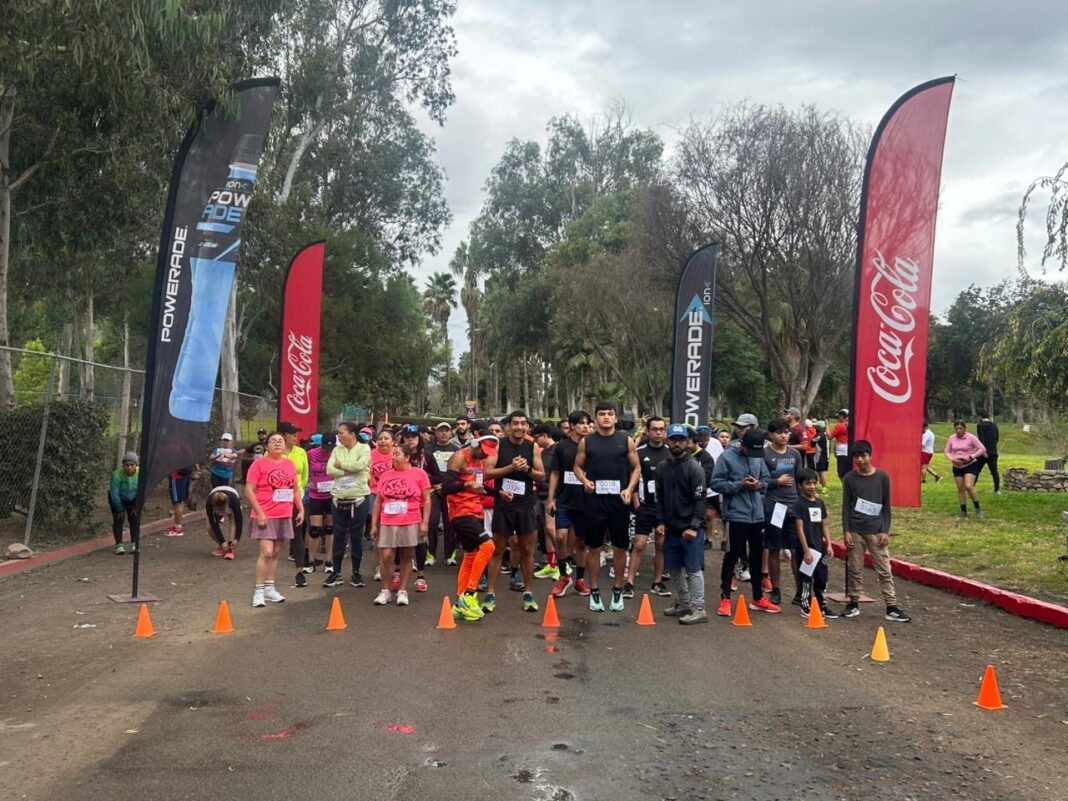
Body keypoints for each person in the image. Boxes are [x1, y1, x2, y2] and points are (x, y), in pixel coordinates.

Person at [573, 403, 641, 613]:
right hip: (595, 502)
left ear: (616, 418)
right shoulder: (587, 441)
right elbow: (577, 466)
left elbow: (636, 467)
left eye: (610, 414)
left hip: (619, 501)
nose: (606, 417)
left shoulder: (625, 440)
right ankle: (594, 591)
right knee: (594, 547)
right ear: (595, 418)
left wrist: (629, 489)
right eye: (601, 414)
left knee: (620, 548)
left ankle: (617, 590)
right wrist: (585, 481)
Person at [483, 410, 545, 613]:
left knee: (527, 550)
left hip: (525, 504)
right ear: (509, 426)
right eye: (515, 423)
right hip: (504, 503)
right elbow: (487, 473)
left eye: (523, 424)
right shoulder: (498, 445)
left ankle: (528, 593)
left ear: (527, 426)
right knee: (498, 550)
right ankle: (490, 593)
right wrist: (510, 467)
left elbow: (541, 477)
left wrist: (527, 469)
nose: (519, 427)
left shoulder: (533, 446)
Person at [841, 440, 911, 622]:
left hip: (876, 530)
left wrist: (885, 530)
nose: (860, 460)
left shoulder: (882, 477)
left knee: (884, 569)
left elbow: (886, 505)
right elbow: (846, 506)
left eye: (863, 456)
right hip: (855, 529)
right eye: (856, 456)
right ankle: (853, 602)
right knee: (854, 567)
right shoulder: (849, 478)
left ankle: (891, 606)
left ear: (870, 456)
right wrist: (846, 530)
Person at [711, 429, 778, 615]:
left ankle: (758, 597)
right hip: (735, 515)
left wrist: (759, 485)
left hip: (757, 515)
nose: (754, 455)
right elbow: (715, 483)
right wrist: (739, 485)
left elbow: (766, 479)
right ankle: (725, 598)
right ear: (742, 444)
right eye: (751, 451)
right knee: (732, 555)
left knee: (757, 557)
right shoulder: (726, 457)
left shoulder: (758, 456)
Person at [442, 435, 500, 621]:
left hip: (475, 511)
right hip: (460, 512)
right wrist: (466, 484)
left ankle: (460, 602)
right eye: (483, 452)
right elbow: (445, 487)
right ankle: (469, 594)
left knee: (471, 554)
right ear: (475, 444)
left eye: (489, 454)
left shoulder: (480, 461)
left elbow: (479, 486)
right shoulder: (459, 457)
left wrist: (499, 494)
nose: (485, 456)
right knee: (488, 546)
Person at [244, 432, 304, 608]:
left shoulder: (289, 464)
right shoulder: (258, 464)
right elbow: (248, 491)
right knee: (266, 552)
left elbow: (294, 490)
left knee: (276, 552)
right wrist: (260, 512)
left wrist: (301, 509)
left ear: (285, 445)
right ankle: (258, 590)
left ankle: (270, 588)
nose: (277, 444)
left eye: (280, 441)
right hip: (265, 514)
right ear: (267, 446)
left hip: (284, 513)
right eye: (273, 441)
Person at [656, 425, 709, 624]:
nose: (677, 443)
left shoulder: (694, 467)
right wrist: (660, 521)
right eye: (673, 440)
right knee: (674, 567)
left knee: (693, 569)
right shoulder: (662, 467)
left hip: (690, 528)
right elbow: (659, 497)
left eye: (681, 440)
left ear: (687, 442)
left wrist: (694, 526)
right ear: (667, 441)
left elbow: (701, 499)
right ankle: (684, 603)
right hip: (671, 527)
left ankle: (699, 608)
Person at [370, 446, 432, 606]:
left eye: (397, 454)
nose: (393, 457)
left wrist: (425, 523)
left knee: (406, 556)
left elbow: (426, 500)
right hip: (388, 521)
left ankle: (403, 591)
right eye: (393, 454)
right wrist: (374, 524)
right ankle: (385, 590)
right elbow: (378, 501)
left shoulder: (419, 474)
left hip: (410, 519)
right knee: (387, 557)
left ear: (407, 457)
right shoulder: (386, 475)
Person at [547, 410, 593, 598]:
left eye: (587, 423)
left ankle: (580, 580)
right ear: (572, 426)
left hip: (586, 501)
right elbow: (555, 473)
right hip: (564, 500)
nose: (585, 426)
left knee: (581, 542)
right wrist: (551, 499)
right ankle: (564, 576)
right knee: (560, 537)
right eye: (581, 423)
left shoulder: (592, 445)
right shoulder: (562, 447)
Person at [323, 421, 372, 589]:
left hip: (359, 498)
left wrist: (341, 466)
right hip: (338, 497)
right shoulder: (337, 450)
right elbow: (329, 470)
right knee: (339, 535)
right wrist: (349, 470)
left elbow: (361, 465)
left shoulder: (364, 448)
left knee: (356, 536)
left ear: (352, 434)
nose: (339, 435)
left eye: (342, 432)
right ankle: (336, 572)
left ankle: (356, 572)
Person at [762, 417, 804, 606]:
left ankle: (800, 591)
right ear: (771, 435)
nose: (784, 436)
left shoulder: (795, 454)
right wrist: (776, 482)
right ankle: (776, 589)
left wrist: (803, 502)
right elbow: (759, 480)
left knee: (796, 549)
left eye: (786, 432)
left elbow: (800, 479)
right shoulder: (764, 454)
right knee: (774, 548)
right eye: (779, 433)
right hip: (774, 506)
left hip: (793, 506)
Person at [626, 416, 669, 598]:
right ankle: (629, 583)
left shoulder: (670, 453)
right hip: (644, 506)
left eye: (661, 429)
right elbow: (633, 477)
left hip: (664, 509)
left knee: (661, 545)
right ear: (648, 431)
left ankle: (657, 582)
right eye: (654, 429)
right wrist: (636, 501)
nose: (658, 432)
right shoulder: (639, 452)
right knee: (639, 544)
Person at [792, 468, 838, 619]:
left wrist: (829, 544)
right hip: (806, 548)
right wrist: (806, 550)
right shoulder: (799, 504)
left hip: (820, 547)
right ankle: (806, 606)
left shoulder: (819, 503)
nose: (812, 486)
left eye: (814, 483)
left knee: (822, 577)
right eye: (808, 483)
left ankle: (821, 605)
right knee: (806, 579)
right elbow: (799, 528)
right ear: (800, 485)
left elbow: (824, 525)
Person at [278, 421, 311, 587]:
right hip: (276, 502)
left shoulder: (301, 452)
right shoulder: (272, 453)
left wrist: (298, 493)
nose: (296, 437)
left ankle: (299, 572)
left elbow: (304, 476)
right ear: (283, 435)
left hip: (296, 499)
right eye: (292, 434)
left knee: (297, 535)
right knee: (276, 538)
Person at [426, 422, 459, 566]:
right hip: (432, 490)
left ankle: (450, 555)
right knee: (432, 522)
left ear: (451, 433)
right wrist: (435, 484)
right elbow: (424, 471)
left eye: (447, 430)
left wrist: (446, 486)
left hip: (450, 490)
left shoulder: (457, 450)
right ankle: (430, 554)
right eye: (441, 430)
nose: (444, 433)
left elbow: (460, 471)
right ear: (436, 433)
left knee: (450, 523)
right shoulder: (427, 449)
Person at [306, 433, 336, 575]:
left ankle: (329, 561)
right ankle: (311, 561)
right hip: (316, 494)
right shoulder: (311, 453)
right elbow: (303, 468)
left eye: (330, 447)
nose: (327, 450)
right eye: (325, 447)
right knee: (315, 529)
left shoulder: (336, 454)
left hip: (331, 494)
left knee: (330, 528)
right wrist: (307, 481)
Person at [944, 420, 987, 519]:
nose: (958, 431)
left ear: (965, 428)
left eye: (960, 428)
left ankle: (978, 508)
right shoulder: (952, 438)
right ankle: (963, 510)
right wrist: (952, 459)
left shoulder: (971, 437)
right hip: (957, 465)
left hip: (970, 464)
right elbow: (947, 451)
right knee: (960, 488)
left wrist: (971, 457)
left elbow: (982, 449)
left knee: (968, 486)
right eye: (956, 429)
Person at [108, 452, 140, 555]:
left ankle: (134, 543)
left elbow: (142, 490)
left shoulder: (140, 474)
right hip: (118, 498)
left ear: (136, 465)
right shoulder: (116, 475)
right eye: (126, 465)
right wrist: (119, 508)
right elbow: (114, 493)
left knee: (134, 519)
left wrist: (137, 505)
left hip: (134, 498)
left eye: (132, 465)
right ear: (123, 465)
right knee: (119, 518)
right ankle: (119, 545)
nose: (129, 468)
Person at [206, 485, 243, 558]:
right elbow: (214, 523)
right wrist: (222, 541)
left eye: (222, 509)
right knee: (209, 528)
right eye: (218, 509)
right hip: (216, 498)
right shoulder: (209, 503)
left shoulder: (234, 501)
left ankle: (230, 548)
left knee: (233, 522)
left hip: (232, 498)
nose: (221, 512)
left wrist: (237, 538)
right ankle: (223, 546)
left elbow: (239, 520)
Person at [165, 463, 200, 537]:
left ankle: (177, 529)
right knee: (181, 502)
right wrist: (197, 469)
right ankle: (178, 525)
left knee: (177, 503)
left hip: (176, 477)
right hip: (185, 475)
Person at [977, 412, 1001, 494]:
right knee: (994, 472)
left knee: (976, 470)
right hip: (993, 451)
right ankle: (997, 489)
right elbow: (996, 438)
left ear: (980, 417)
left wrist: (983, 451)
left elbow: (981, 439)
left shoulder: (980, 425)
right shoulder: (994, 425)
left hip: (983, 452)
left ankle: (971, 486)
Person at [830, 410, 850, 480]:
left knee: (841, 473)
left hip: (842, 450)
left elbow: (829, 437)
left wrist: (826, 426)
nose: (838, 418)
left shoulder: (839, 425)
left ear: (842, 416)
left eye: (839, 416)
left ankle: (845, 486)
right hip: (849, 448)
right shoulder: (851, 424)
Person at [812, 420, 830, 492]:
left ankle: (824, 488)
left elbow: (812, 442)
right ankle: (823, 487)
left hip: (820, 457)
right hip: (826, 456)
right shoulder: (826, 435)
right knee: (822, 472)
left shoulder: (819, 435)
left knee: (820, 473)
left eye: (817, 426)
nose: (815, 427)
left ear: (819, 427)